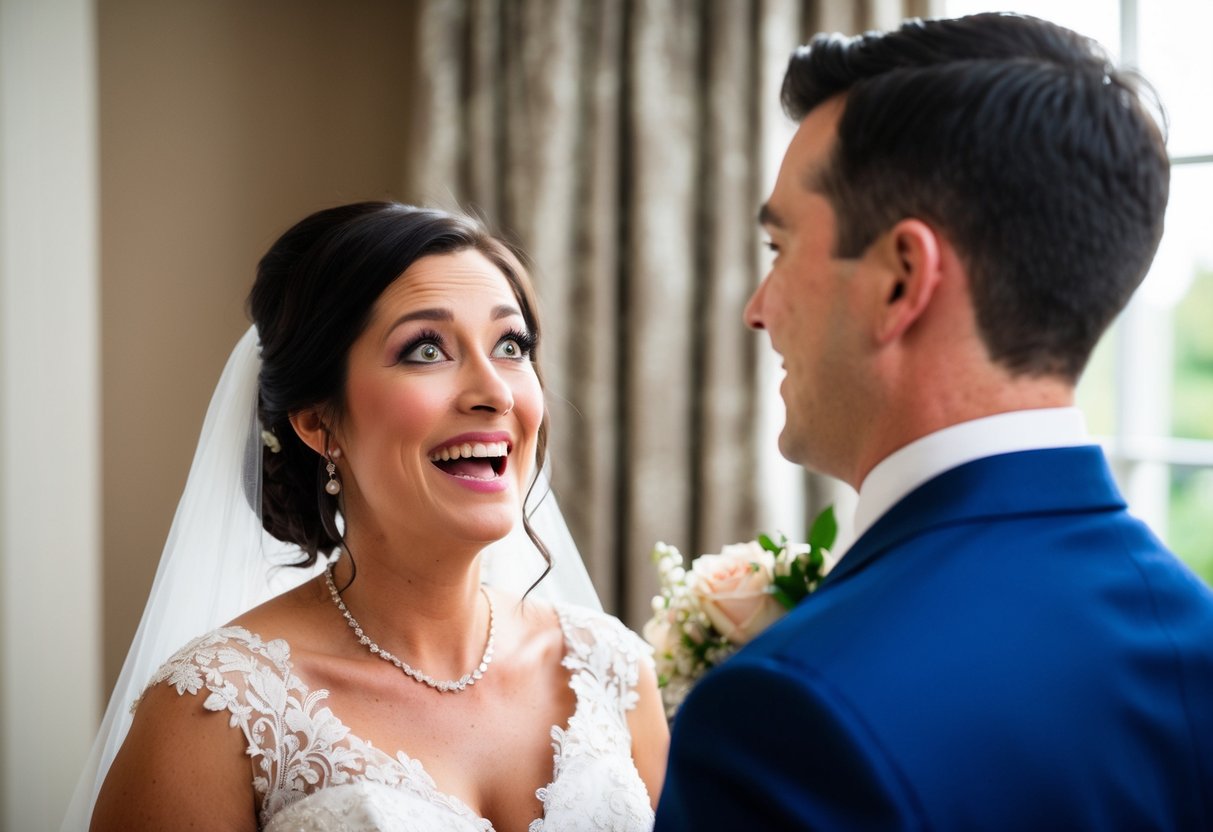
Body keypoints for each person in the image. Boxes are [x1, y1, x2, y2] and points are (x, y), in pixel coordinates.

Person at [656, 12, 1213, 830]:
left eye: (780, 249)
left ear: (899, 279)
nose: (756, 309)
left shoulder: (785, 717)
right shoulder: (1196, 635)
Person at [76, 203, 667, 830]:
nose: (495, 393)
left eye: (510, 345)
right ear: (318, 423)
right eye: (426, 350)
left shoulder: (611, 670)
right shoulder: (215, 712)